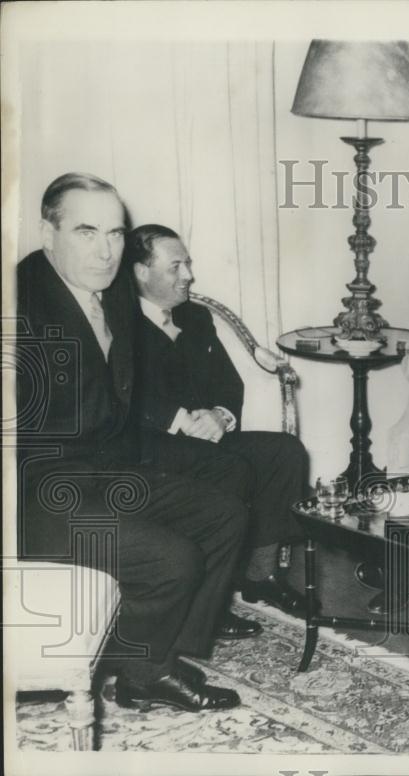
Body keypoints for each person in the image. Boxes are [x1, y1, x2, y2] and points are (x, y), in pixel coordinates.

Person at [16, 173, 247, 712]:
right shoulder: (20, 301)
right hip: (32, 490)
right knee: (174, 559)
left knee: (224, 513)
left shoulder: (111, 294)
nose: (105, 251)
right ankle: (145, 666)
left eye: (116, 234)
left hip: (101, 467)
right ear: (48, 233)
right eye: (86, 232)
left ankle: (150, 662)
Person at [126, 224, 309, 618]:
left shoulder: (195, 317)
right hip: (149, 445)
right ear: (141, 271)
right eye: (175, 267)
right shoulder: (115, 321)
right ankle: (205, 600)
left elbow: (229, 383)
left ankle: (260, 578)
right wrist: (179, 420)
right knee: (230, 468)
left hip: (207, 437)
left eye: (187, 264)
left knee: (284, 452)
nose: (188, 275)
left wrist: (220, 416)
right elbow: (117, 392)